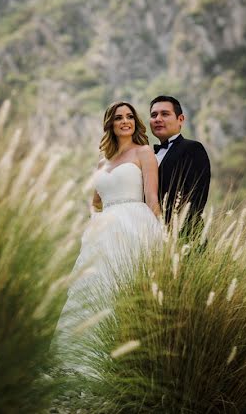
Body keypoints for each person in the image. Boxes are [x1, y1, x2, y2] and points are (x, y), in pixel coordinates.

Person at [57, 101, 164, 335]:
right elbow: (95, 202)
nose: (125, 121)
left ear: (135, 122)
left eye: (129, 117)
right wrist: (96, 224)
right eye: (118, 118)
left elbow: (152, 198)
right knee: (96, 290)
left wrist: (163, 233)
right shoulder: (102, 163)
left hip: (135, 226)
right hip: (104, 235)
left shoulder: (144, 152)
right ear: (110, 124)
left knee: (127, 285)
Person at [149, 95, 211, 238]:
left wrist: (172, 231)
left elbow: (196, 198)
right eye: (154, 115)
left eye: (165, 114)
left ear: (180, 119)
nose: (158, 119)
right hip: (148, 235)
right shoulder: (148, 156)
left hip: (182, 237)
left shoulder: (192, 149)